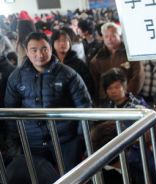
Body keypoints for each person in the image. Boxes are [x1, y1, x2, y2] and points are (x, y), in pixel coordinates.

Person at [4, 32, 92, 170]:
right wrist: (14, 142)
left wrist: (81, 139)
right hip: (32, 141)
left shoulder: (68, 74)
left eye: (44, 49)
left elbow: (84, 107)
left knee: (71, 182)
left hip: (66, 140)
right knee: (40, 183)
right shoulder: (16, 77)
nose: (39, 54)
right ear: (26, 51)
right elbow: (10, 112)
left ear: (51, 49)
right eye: (34, 50)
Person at [89, 22, 144, 105]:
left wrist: (126, 94)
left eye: (113, 36)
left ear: (120, 36)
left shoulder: (131, 55)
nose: (109, 39)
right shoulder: (97, 59)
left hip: (127, 98)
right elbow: (94, 81)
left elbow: (138, 77)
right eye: (106, 36)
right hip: (106, 100)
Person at [50, 29, 95, 100]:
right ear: (52, 44)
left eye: (65, 40)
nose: (62, 43)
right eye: (58, 41)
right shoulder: (49, 64)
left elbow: (88, 84)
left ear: (70, 43)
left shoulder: (78, 63)